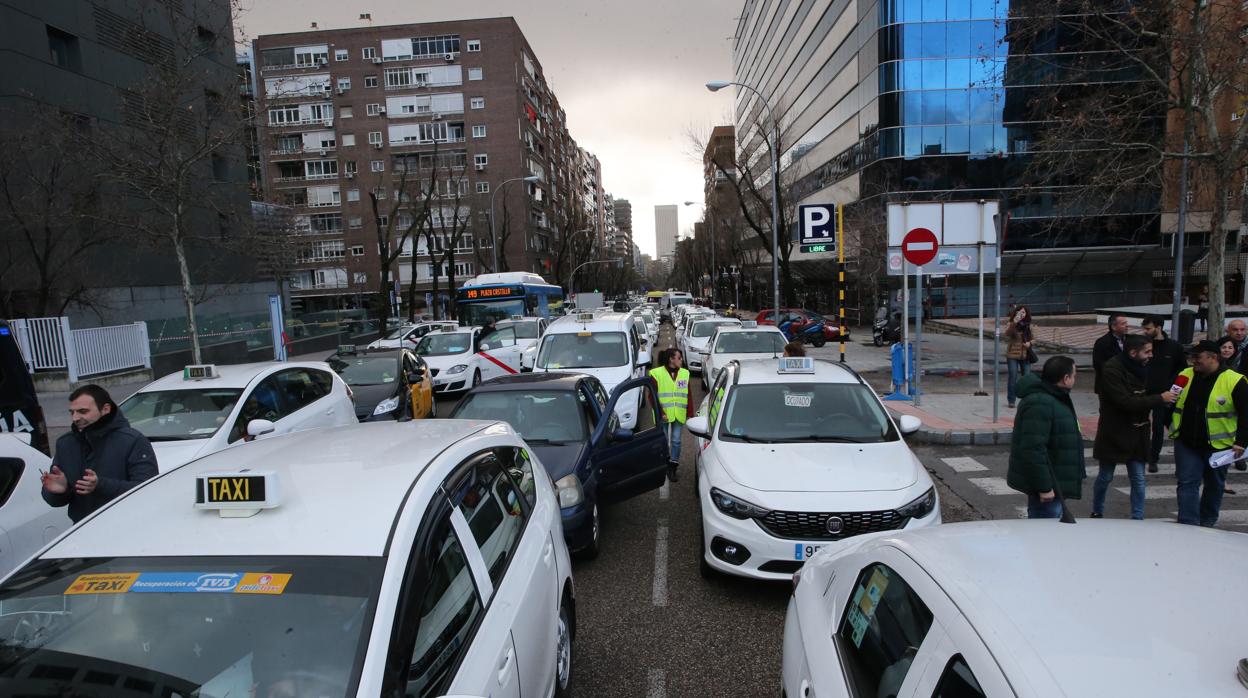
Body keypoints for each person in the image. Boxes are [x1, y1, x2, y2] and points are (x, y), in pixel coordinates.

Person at [41, 384, 158, 523]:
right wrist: (59, 491)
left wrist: (100, 485)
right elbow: (55, 500)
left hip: (127, 528)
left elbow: (148, 491)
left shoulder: (132, 441)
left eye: (83, 411)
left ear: (105, 409)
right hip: (82, 530)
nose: (75, 418)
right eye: (72, 412)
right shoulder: (65, 444)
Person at [1090, 335, 1178, 519]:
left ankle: (1138, 516)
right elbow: (1125, 401)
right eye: (1147, 351)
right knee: (1105, 476)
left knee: (1138, 478)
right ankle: (1097, 510)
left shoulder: (1144, 366)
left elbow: (1152, 389)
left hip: (1138, 431)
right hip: (1114, 431)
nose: (1151, 355)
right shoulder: (1112, 370)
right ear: (1132, 352)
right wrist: (1159, 398)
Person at [1170, 339, 1248, 526]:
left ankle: (1207, 524)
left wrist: (1242, 441)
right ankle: (1188, 524)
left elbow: (1246, 413)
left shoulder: (1234, 380)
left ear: (1213, 358)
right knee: (1187, 483)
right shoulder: (1185, 375)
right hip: (1187, 442)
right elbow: (1171, 401)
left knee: (1214, 486)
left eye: (1198, 357)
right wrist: (1167, 422)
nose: (1193, 360)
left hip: (1219, 446)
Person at [1007, 356, 1085, 519]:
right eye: (1074, 375)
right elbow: (1033, 449)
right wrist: (1044, 487)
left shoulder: (1055, 397)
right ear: (1065, 379)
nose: (1075, 379)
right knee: (1044, 535)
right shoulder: (1040, 403)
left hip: (1055, 482)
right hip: (1049, 488)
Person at [1141, 316, 1187, 473]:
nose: (1145, 331)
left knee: (1159, 426)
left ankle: (1154, 459)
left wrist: (1173, 389)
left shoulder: (1174, 347)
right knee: (1141, 424)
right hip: (1144, 393)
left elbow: (1182, 371)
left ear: (1158, 327)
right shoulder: (1144, 346)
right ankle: (1142, 455)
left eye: (1148, 328)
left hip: (1165, 394)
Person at [648, 348, 693, 483]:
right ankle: (665, 463)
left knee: (676, 441)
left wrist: (690, 412)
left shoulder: (685, 373)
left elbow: (688, 394)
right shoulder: (656, 374)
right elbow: (652, 396)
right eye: (679, 358)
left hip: (678, 413)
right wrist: (661, 413)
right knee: (663, 441)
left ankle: (673, 466)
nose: (681, 360)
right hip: (663, 414)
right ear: (671, 359)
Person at [1004, 306, 1034, 408]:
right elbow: (1007, 334)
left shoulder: (1029, 325)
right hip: (1012, 354)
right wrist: (1014, 322)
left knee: (1026, 377)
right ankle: (1011, 400)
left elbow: (1034, 338)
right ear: (1016, 313)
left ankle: (1027, 399)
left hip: (1025, 355)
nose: (1022, 315)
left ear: (1027, 314)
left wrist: (1029, 343)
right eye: (1020, 313)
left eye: (1023, 313)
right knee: (1013, 377)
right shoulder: (1012, 323)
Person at [1092, 313, 1129, 395]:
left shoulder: (1129, 340)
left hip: (1125, 385)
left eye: (1126, 323)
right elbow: (1098, 365)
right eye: (1123, 323)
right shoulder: (1102, 343)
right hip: (1108, 386)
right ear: (1113, 327)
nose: (1127, 325)